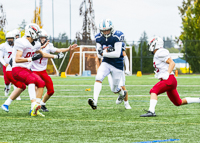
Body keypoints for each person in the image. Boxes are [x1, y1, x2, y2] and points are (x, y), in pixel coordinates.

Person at [140, 36, 200, 117]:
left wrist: (167, 74)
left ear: (155, 44)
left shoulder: (160, 52)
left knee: (153, 91)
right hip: (170, 80)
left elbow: (172, 63)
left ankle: (151, 111)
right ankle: (198, 100)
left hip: (168, 79)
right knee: (178, 102)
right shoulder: (158, 53)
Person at [7, 23, 50, 117]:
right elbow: (17, 59)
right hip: (17, 68)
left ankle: (35, 107)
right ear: (31, 32)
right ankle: (33, 104)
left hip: (27, 69)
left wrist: (55, 56)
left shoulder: (35, 43)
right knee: (31, 80)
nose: (38, 35)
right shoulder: (21, 42)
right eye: (36, 32)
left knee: (41, 83)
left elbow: (40, 52)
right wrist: (31, 59)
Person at [31, 29, 78, 112]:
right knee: (35, 88)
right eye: (41, 37)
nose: (43, 39)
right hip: (34, 71)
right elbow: (43, 54)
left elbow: (58, 50)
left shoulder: (49, 45)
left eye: (44, 38)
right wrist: (55, 56)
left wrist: (68, 49)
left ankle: (42, 104)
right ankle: (33, 107)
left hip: (43, 71)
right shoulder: (34, 45)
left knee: (51, 90)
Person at [88, 19, 127, 110]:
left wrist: (104, 52)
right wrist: (105, 52)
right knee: (98, 77)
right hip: (106, 62)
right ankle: (95, 101)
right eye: (103, 31)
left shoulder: (117, 36)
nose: (105, 32)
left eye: (107, 30)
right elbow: (98, 54)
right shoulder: (99, 37)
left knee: (114, 89)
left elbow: (117, 54)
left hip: (117, 64)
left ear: (112, 29)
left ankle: (122, 94)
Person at [107, 42, 131, 109]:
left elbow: (125, 56)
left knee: (123, 87)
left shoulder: (120, 44)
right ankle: (121, 95)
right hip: (110, 70)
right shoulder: (108, 43)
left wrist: (127, 69)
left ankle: (126, 104)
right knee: (114, 90)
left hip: (119, 68)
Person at [0, 32, 14, 96]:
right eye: (9, 38)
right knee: (7, 81)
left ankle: (17, 95)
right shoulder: (3, 46)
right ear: (6, 39)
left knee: (16, 80)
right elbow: (0, 57)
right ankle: (7, 88)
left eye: (11, 38)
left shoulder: (17, 45)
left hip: (15, 65)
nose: (10, 40)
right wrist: (5, 64)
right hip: (7, 65)